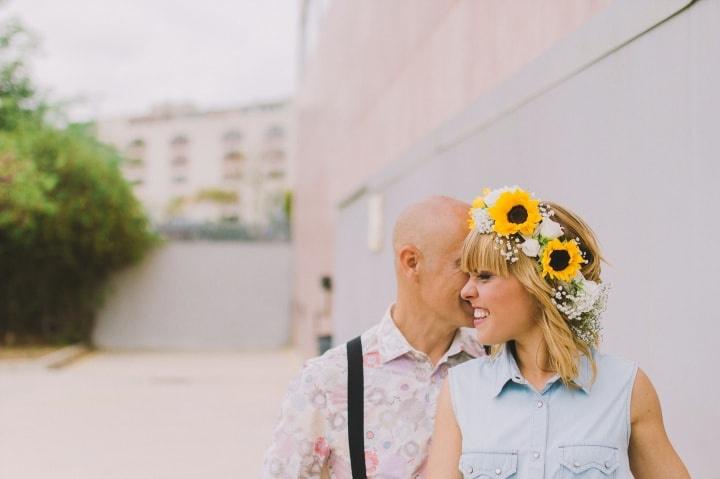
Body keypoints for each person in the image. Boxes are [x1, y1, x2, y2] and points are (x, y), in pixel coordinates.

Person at [427, 186, 689, 478]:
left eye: (484, 276)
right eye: (468, 276)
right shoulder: (461, 391)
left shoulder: (626, 388)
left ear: (537, 283)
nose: (466, 291)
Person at [262, 196, 485, 478]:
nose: (478, 282)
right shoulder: (328, 380)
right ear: (411, 262)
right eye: (466, 264)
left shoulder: (497, 366)